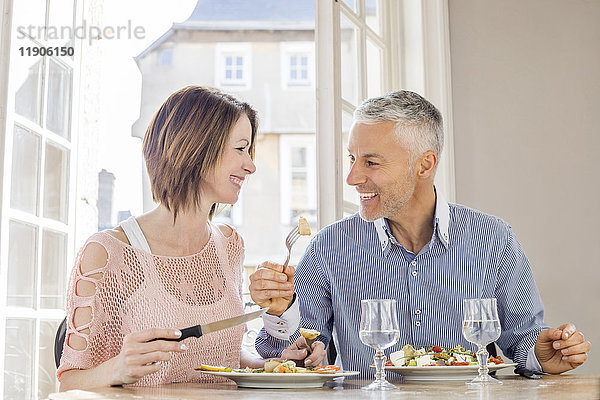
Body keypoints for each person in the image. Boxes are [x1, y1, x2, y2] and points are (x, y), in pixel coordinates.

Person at [249, 90, 591, 378]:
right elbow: (298, 355)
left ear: (424, 165)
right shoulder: (329, 246)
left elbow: (523, 339)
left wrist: (542, 356)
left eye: (371, 162)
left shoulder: (493, 238)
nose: (352, 178)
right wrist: (282, 315)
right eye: (352, 158)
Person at [57, 86, 263, 390]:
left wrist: (277, 363)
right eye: (240, 149)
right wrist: (116, 369)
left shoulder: (229, 245)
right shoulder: (108, 252)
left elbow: (224, 356)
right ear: (196, 147)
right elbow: (69, 383)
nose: (251, 165)